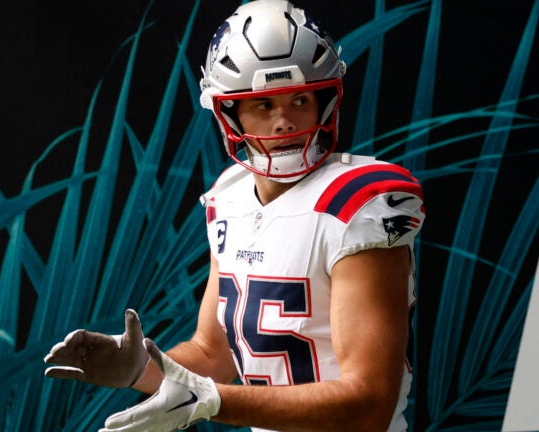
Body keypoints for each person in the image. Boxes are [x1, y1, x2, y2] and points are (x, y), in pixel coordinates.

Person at [44, 0, 425, 430]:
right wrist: (142, 369)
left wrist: (211, 401)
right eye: (263, 105)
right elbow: (212, 355)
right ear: (229, 113)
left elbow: (369, 402)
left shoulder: (357, 203)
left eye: (299, 99)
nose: (284, 121)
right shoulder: (231, 200)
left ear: (324, 101)